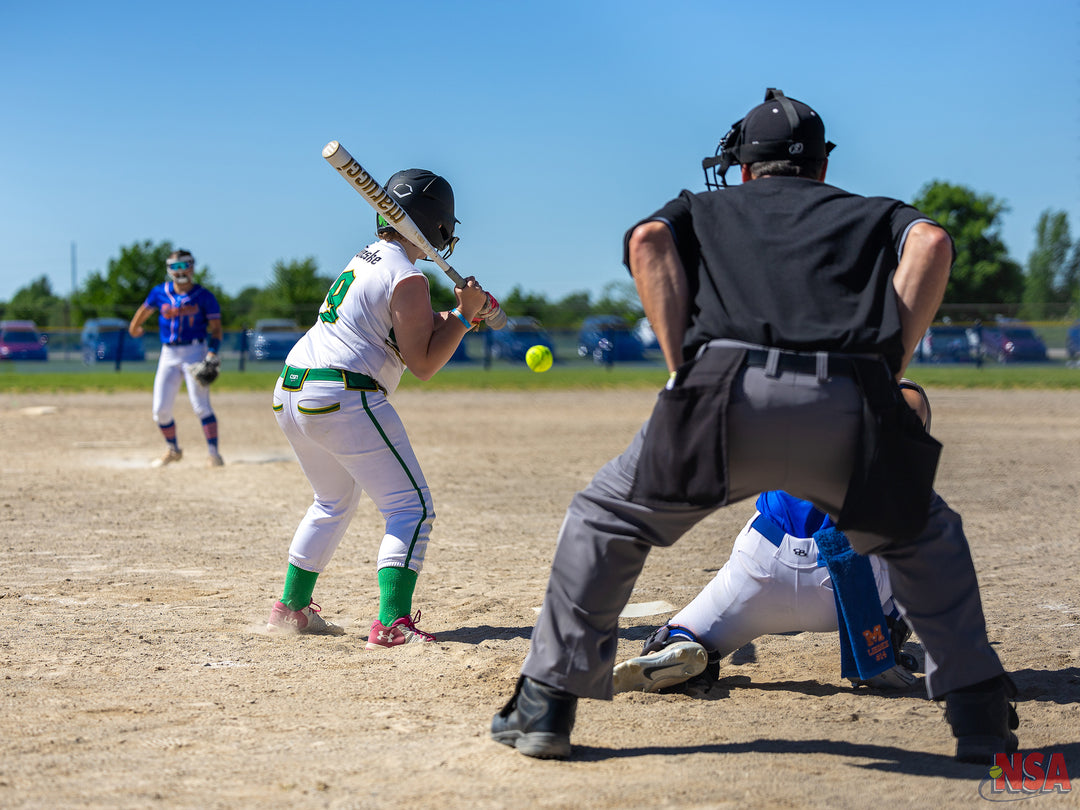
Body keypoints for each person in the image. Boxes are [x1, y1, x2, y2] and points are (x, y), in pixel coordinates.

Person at [491, 89, 1017, 764]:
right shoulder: (873, 212)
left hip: (723, 392)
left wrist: (684, 370)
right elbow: (932, 242)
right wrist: (889, 364)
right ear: (821, 167)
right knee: (926, 535)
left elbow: (648, 241)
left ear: (744, 168)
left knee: (606, 518)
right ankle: (977, 717)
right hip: (847, 397)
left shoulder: (704, 207)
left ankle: (546, 703)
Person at [265, 168, 493, 648]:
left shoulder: (369, 258)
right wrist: (464, 315)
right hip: (342, 393)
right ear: (437, 225)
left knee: (332, 501)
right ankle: (392, 623)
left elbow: (413, 326)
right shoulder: (408, 276)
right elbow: (423, 362)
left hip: (292, 388)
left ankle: (291, 609)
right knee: (412, 508)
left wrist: (463, 315)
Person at [612, 384, 933, 696]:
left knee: (679, 634)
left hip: (761, 563)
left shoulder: (784, 387)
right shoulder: (903, 396)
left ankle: (681, 643)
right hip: (847, 580)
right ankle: (878, 641)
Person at [128, 249, 225, 468]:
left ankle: (213, 454)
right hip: (169, 353)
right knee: (160, 410)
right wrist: (134, 327)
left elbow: (217, 329)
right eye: (175, 266)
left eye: (184, 265)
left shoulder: (204, 296)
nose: (180, 271)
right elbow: (144, 310)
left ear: (192, 267)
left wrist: (212, 352)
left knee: (201, 406)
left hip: (195, 351)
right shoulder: (159, 292)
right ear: (168, 269)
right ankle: (173, 449)